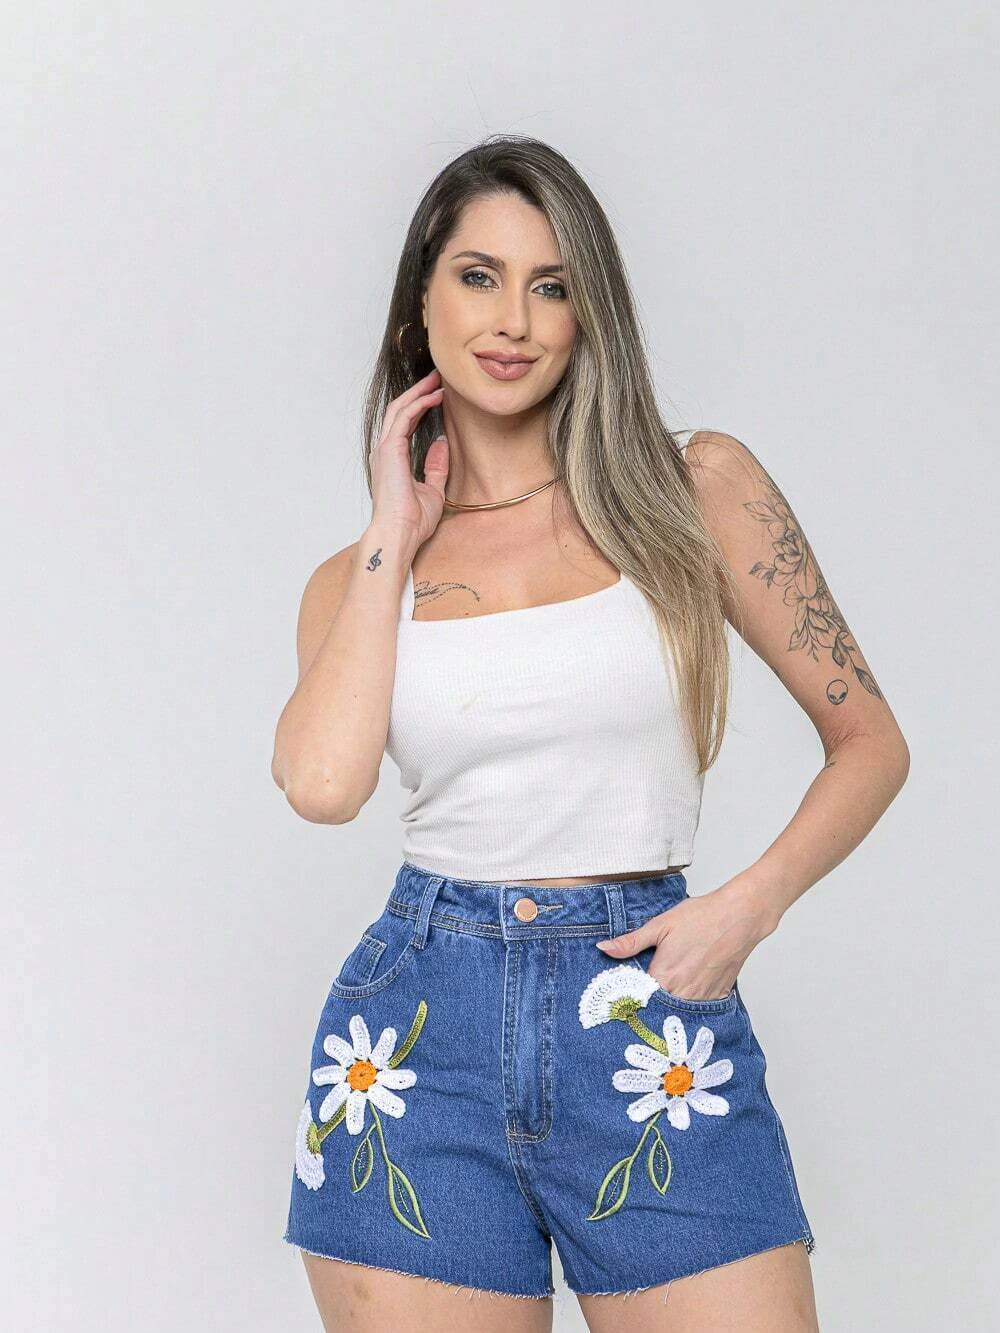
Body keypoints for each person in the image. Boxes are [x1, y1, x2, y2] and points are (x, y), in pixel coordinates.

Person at [271, 135, 909, 1332]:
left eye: (551, 285)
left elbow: (870, 742)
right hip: (418, 1041)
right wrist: (392, 527)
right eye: (477, 276)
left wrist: (745, 907)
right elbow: (320, 784)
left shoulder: (692, 489)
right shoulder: (357, 580)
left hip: (649, 1014)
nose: (512, 319)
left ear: (587, 315)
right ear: (419, 304)